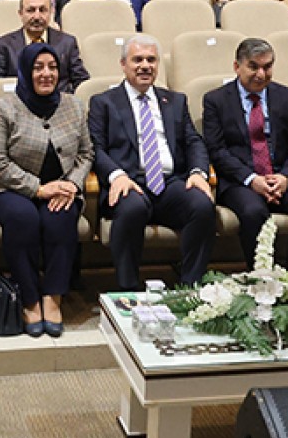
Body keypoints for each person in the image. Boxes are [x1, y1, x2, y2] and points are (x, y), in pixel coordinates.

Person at [0, 43, 93, 336]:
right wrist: (38, 189)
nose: (46, 74)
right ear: (24, 71)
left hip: (61, 186)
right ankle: (30, 299)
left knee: (60, 218)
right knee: (24, 218)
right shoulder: (4, 107)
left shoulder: (74, 105)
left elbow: (86, 154)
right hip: (7, 187)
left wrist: (72, 184)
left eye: (52, 67)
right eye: (38, 67)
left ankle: (53, 297)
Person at [86, 35, 216, 289]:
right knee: (132, 208)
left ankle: (191, 287)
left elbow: (194, 141)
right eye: (137, 60)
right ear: (123, 64)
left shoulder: (175, 101)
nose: (145, 65)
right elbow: (95, 148)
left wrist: (198, 172)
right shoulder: (104, 102)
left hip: (170, 183)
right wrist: (116, 175)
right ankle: (129, 289)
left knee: (201, 205)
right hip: (129, 182)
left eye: (151, 60)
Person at [202, 38, 288, 271]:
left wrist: (286, 177)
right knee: (254, 212)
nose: (261, 74)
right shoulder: (216, 100)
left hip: (283, 177)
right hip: (241, 181)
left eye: (267, 66)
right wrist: (253, 180)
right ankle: (262, 280)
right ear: (236, 66)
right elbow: (216, 150)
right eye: (253, 67)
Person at [0, 0, 89, 94]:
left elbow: (81, 81)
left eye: (42, 10)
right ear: (20, 14)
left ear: (51, 12)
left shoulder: (67, 43)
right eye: (31, 10)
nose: (37, 16)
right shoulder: (4, 45)